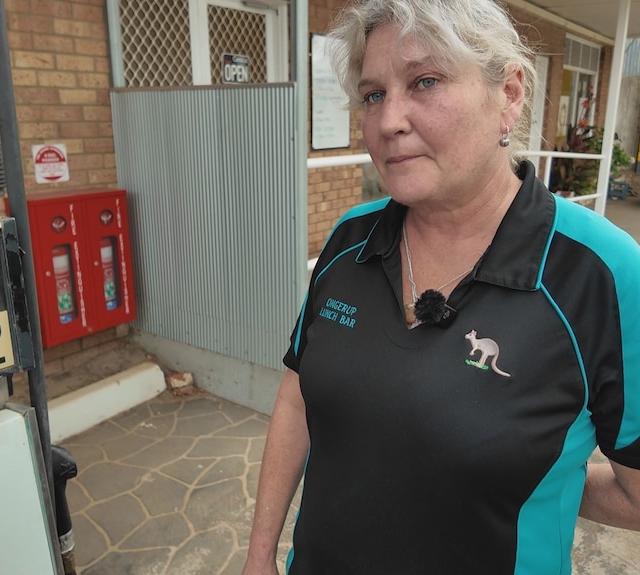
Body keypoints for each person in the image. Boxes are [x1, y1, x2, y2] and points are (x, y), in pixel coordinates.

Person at [242, 0, 640, 573]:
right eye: (374, 94)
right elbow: (297, 395)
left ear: (508, 95)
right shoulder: (349, 239)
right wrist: (260, 558)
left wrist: (536, 480)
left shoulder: (599, 273)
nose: (388, 121)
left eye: (425, 81)